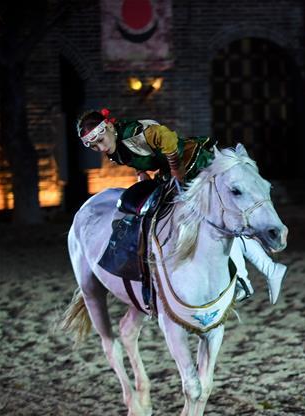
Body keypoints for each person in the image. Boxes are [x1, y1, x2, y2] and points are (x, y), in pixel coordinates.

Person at [76, 109, 287, 304]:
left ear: (110, 128)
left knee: (218, 220)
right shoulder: (116, 148)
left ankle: (252, 275)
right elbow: (139, 160)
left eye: (101, 141)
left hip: (193, 163)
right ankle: (260, 272)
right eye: (94, 146)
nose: (101, 148)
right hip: (170, 172)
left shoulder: (134, 132)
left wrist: (175, 167)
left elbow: (166, 137)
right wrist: (142, 175)